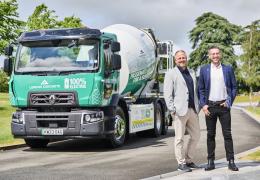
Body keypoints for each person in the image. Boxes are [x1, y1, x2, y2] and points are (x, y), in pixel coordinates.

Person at [198, 46, 239, 171]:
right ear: (209, 56)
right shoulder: (204, 69)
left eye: (217, 53)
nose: (215, 56)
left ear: (220, 55)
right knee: (210, 135)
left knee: (227, 134)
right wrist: (203, 105)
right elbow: (201, 89)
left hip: (223, 107)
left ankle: (231, 161)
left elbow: (233, 87)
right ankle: (210, 161)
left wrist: (229, 101)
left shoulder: (228, 69)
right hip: (209, 107)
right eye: (213, 54)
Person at [164, 50, 201, 172]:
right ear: (175, 60)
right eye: (179, 58)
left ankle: (189, 161)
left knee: (196, 136)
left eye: (183, 57)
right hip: (179, 111)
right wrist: (171, 109)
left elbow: (195, 91)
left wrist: (198, 106)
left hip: (192, 110)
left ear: (186, 59)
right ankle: (181, 163)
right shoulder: (171, 73)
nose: (182, 60)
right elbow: (167, 93)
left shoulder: (191, 72)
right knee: (179, 138)